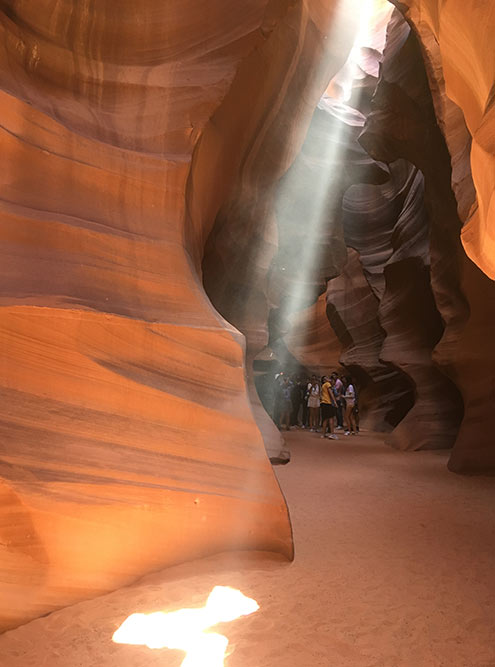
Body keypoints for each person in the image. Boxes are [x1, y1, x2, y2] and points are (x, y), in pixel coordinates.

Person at [320, 375, 338, 439]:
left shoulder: (322, 386)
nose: (329, 379)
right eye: (327, 378)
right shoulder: (327, 384)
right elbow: (331, 393)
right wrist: (335, 402)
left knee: (325, 419)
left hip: (323, 403)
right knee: (331, 418)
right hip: (328, 403)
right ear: (324, 380)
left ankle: (323, 434)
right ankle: (332, 434)